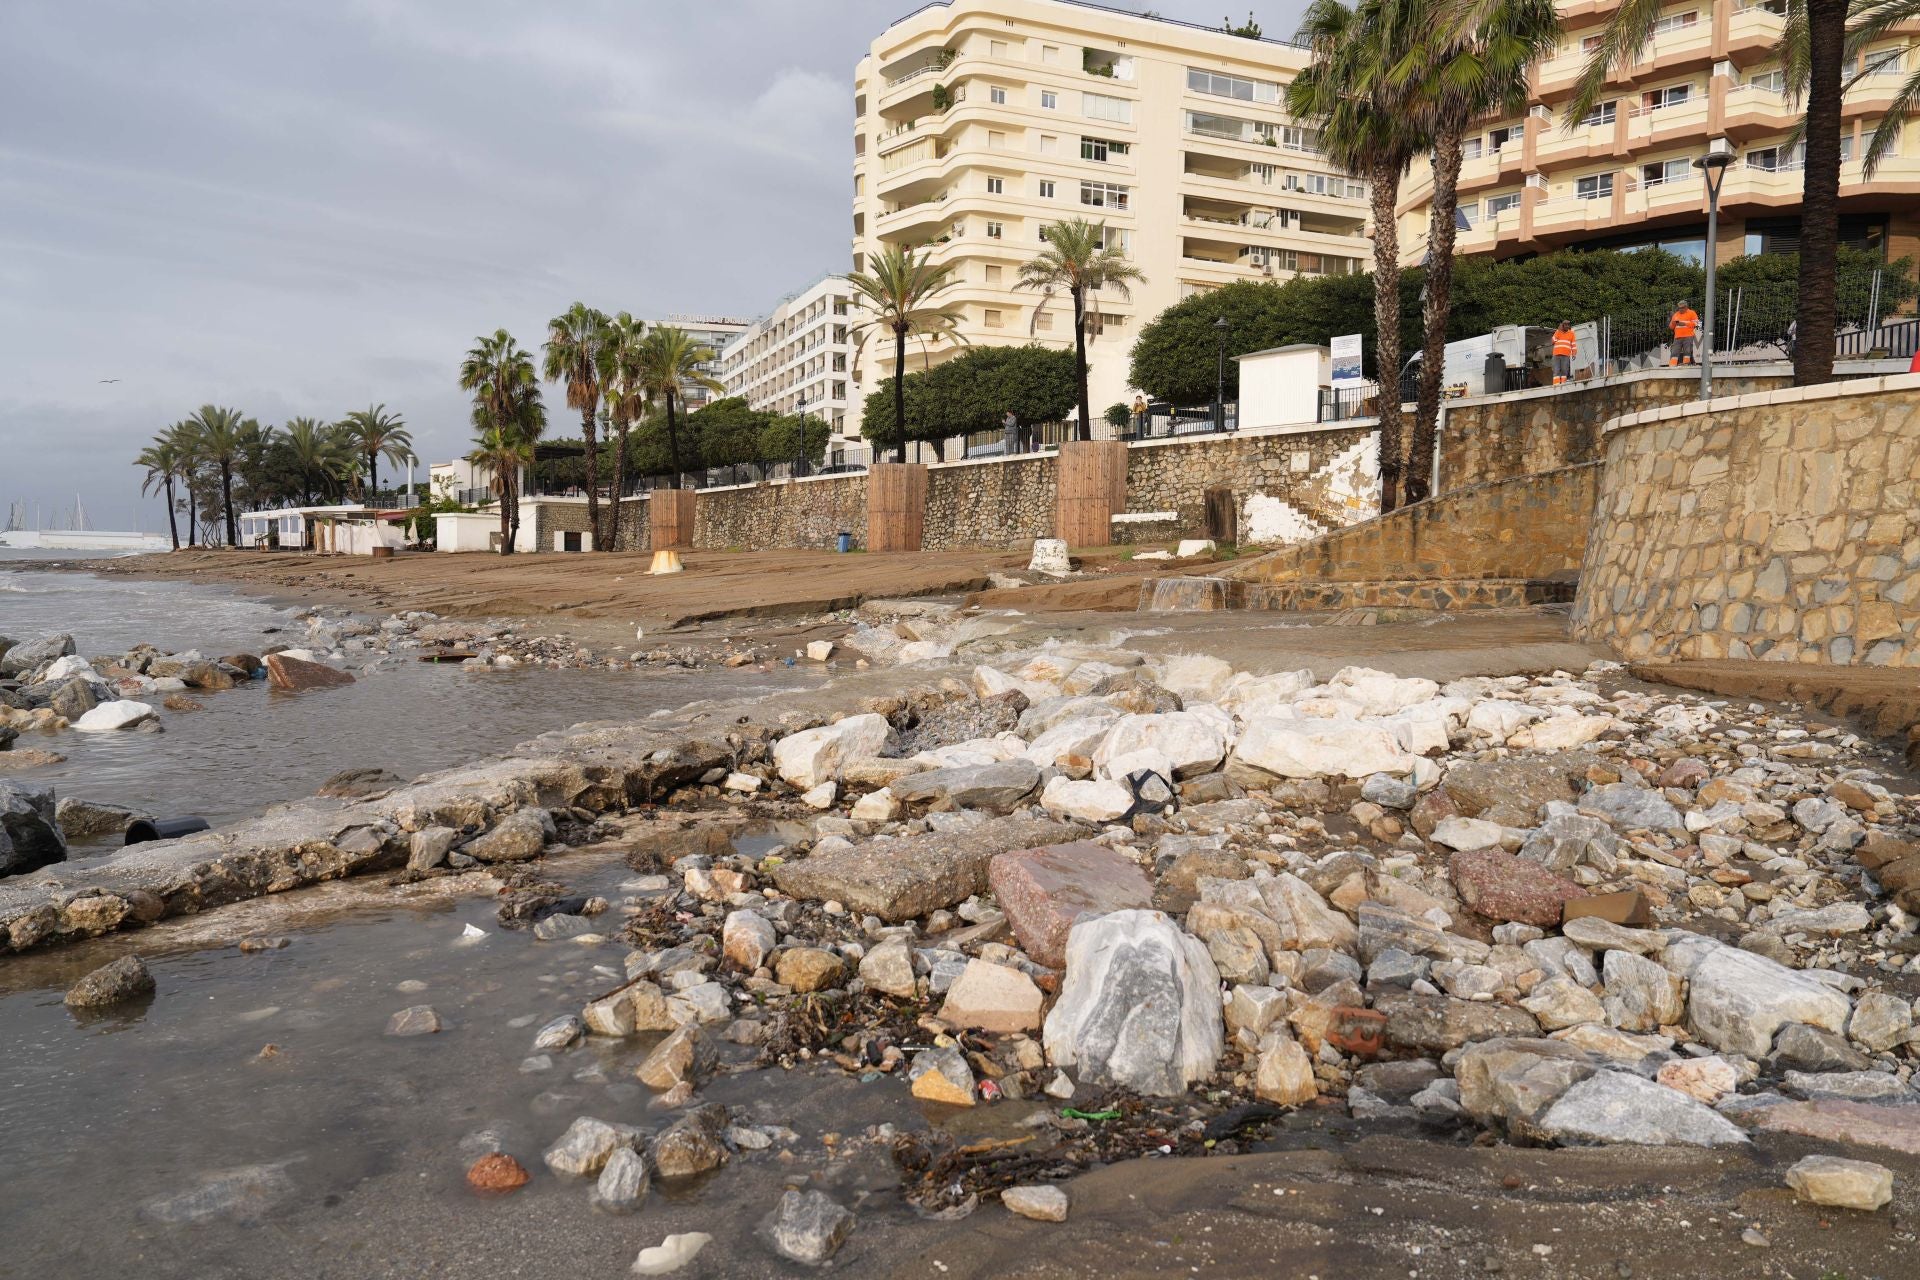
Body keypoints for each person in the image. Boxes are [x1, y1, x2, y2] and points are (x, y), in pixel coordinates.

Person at [1669, 299, 1700, 367]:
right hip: (1677, 337)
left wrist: (1684, 324)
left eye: (1682, 308)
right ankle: (1672, 366)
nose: (1680, 309)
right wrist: (1673, 323)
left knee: (1687, 352)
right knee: (1674, 352)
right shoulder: (1676, 314)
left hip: (1688, 336)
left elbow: (1697, 323)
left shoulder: (1692, 313)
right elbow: (1671, 327)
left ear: (1686, 307)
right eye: (1679, 308)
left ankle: (1686, 365)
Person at [1551, 320, 1578, 386]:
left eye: (1568, 325)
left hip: (1566, 355)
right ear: (1562, 325)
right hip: (1556, 354)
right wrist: (1558, 331)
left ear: (1569, 326)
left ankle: (1563, 385)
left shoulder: (1571, 333)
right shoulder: (1558, 331)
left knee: (1564, 371)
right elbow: (1553, 341)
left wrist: (1574, 354)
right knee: (1556, 371)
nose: (1567, 326)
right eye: (1565, 325)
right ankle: (1556, 386)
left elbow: (1573, 344)